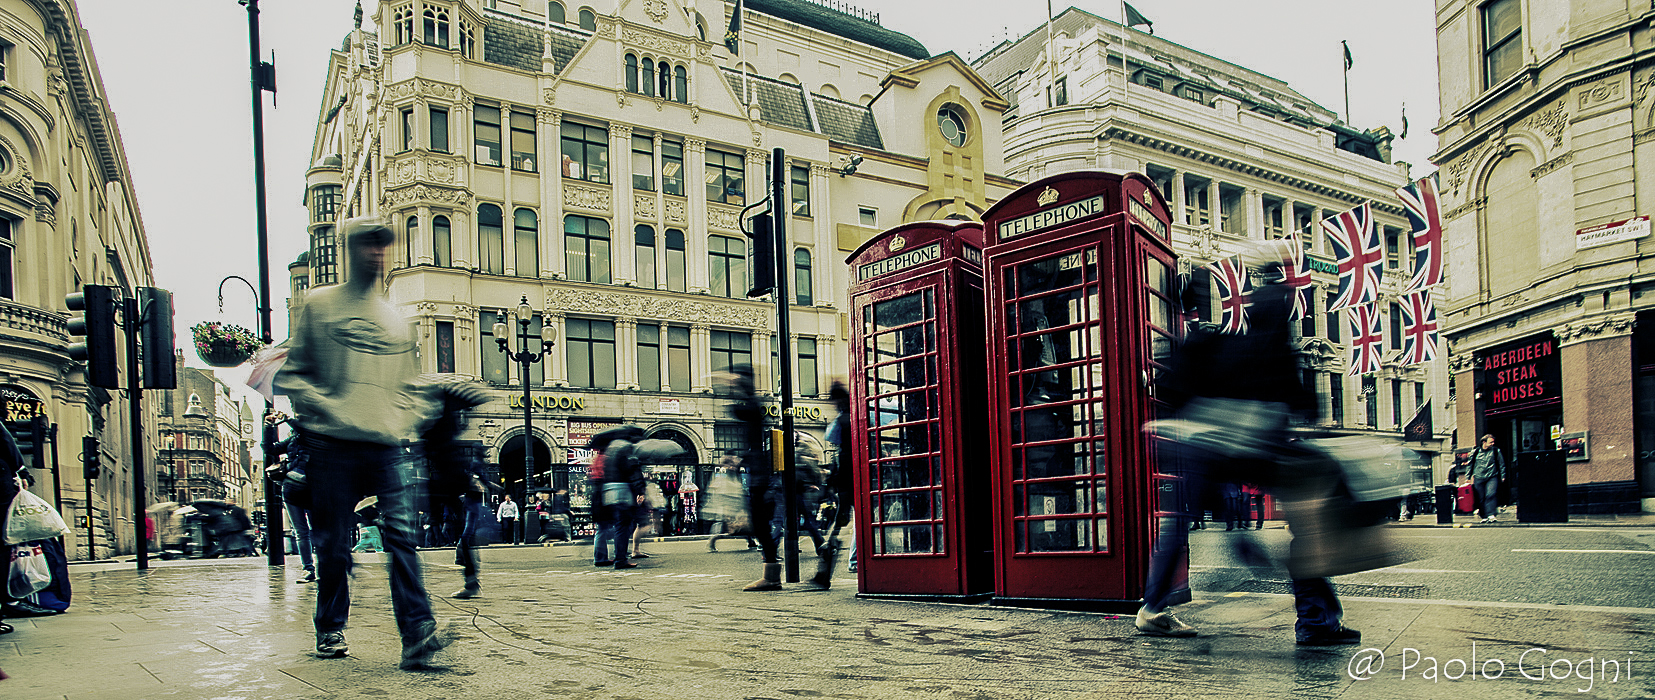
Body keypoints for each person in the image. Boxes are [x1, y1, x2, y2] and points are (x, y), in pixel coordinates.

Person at [1140, 251, 1360, 646]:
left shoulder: (1203, 343)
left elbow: (1171, 394)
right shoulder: (1254, 341)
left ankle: (1153, 606)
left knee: (1177, 526)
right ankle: (1316, 622)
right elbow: (1296, 398)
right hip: (1252, 445)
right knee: (1307, 526)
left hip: (1209, 446)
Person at [274, 217, 449, 670]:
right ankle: (329, 627)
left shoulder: (396, 320)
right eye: (367, 245)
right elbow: (293, 374)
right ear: (347, 250)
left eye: (383, 246)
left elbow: (407, 386)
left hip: (386, 446)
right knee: (334, 545)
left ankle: (416, 633)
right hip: (331, 445)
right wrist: (328, 405)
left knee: (403, 540)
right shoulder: (320, 305)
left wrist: (411, 413)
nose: (376, 254)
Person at [720, 365, 782, 591]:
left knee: (761, 526)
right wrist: (740, 460)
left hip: (760, 478)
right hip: (759, 474)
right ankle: (771, 575)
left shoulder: (752, 405)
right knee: (761, 526)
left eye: (737, 381)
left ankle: (771, 577)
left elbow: (734, 410)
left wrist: (727, 383)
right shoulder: (753, 405)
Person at [1468, 434, 1506, 523]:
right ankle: (1484, 516)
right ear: (1484, 442)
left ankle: (1491, 514)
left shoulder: (1496, 451)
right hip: (1478, 477)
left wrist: (1503, 476)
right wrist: (1468, 477)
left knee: (1490, 494)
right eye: (1491, 442)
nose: (1493, 443)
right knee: (1481, 497)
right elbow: (1470, 464)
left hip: (1492, 476)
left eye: (1493, 442)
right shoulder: (1476, 451)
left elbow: (1501, 464)